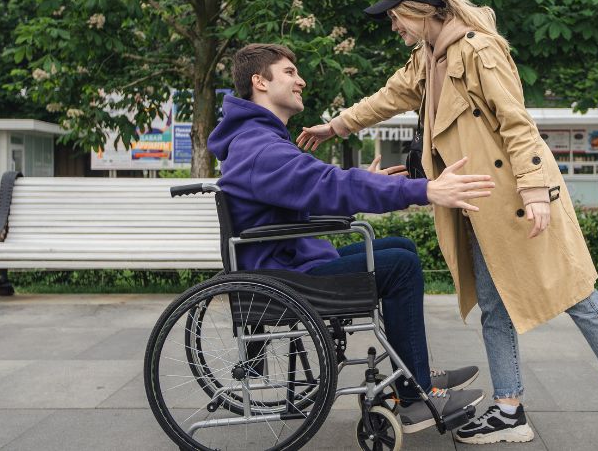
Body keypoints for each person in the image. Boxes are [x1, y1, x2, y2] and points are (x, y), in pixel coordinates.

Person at [297, 0, 598, 451]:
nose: (393, 27)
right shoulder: (427, 57)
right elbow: (389, 98)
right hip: (479, 201)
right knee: (495, 305)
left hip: (517, 195)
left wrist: (534, 191)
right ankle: (509, 409)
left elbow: (517, 123)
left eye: (394, 17)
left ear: (418, 11)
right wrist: (336, 127)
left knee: (575, 293)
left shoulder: (477, 50)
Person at [208, 42, 494, 433]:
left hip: (286, 263)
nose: (301, 80)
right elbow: (327, 182)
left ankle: (413, 372)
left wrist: (372, 187)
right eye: (290, 72)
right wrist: (422, 190)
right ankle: (415, 396)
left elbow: (310, 196)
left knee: (400, 248)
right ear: (260, 82)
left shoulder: (258, 140)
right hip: (283, 276)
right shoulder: (260, 147)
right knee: (402, 265)